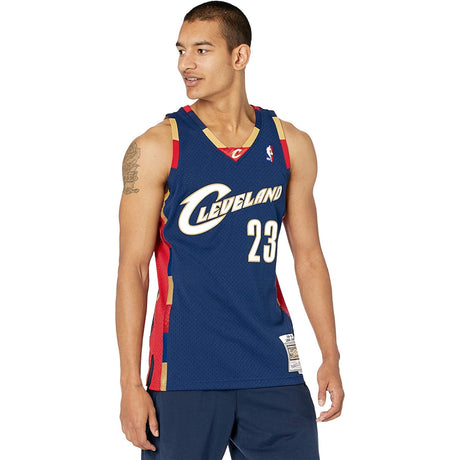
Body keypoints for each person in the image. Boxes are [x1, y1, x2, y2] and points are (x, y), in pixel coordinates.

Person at [115, 1, 344, 459]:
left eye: (201, 50)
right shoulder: (158, 146)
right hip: (183, 373)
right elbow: (133, 269)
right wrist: (130, 384)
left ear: (240, 56)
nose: (185, 64)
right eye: (181, 50)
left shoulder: (290, 144)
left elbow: (308, 257)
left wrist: (330, 355)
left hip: (273, 368)